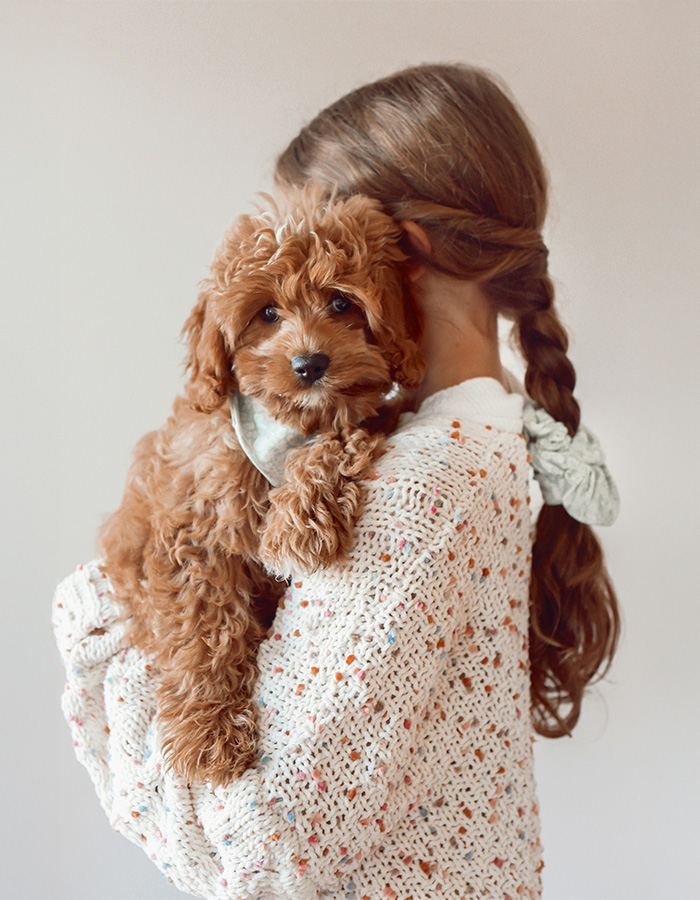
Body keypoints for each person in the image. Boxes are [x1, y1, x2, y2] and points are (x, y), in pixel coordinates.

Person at [53, 64, 620, 900]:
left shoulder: (422, 487)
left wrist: (94, 618)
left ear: (400, 255)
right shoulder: (478, 440)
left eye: (335, 290)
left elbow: (265, 849)